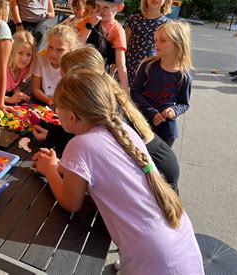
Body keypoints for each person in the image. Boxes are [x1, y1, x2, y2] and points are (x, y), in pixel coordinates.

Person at [32, 70, 204, 275]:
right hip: (181, 248)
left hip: (152, 261)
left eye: (56, 107)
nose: (55, 111)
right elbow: (103, 167)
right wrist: (61, 164)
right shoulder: (122, 129)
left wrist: (50, 169)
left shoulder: (79, 144)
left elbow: (71, 203)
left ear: (71, 115)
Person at [32, 45, 180, 190]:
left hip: (156, 171)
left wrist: (54, 167)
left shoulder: (107, 110)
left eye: (65, 80)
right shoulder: (104, 95)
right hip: (158, 161)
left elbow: (90, 148)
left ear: (83, 82)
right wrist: (50, 133)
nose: (62, 85)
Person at [131, 21, 193, 147]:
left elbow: (184, 104)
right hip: (142, 123)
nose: (156, 44)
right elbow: (134, 91)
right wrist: (151, 111)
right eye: (156, 40)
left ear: (178, 43)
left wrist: (174, 110)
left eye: (163, 40)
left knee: (158, 164)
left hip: (165, 131)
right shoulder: (148, 66)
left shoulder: (183, 77)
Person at [78, 0, 129, 92]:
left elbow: (121, 65)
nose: (100, 11)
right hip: (79, 73)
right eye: (97, 5)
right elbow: (76, 46)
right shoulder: (88, 21)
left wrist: (125, 93)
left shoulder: (117, 30)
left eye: (106, 7)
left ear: (119, 8)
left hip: (98, 79)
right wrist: (90, 25)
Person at [124, 0, 174, 85]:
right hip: (128, 69)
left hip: (151, 72)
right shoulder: (133, 20)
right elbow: (123, 46)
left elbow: (168, 53)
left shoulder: (168, 25)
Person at [31, 25, 80, 106]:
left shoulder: (73, 66)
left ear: (70, 50)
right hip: (44, 100)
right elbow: (35, 88)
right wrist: (48, 100)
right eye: (50, 47)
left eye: (59, 50)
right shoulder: (40, 58)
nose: (53, 53)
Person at [4, 30, 36, 105]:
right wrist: (8, 99)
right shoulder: (4, 69)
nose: (24, 58)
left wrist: (18, 94)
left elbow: (15, 86)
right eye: (20, 53)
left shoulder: (24, 70)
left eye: (28, 55)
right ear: (12, 52)